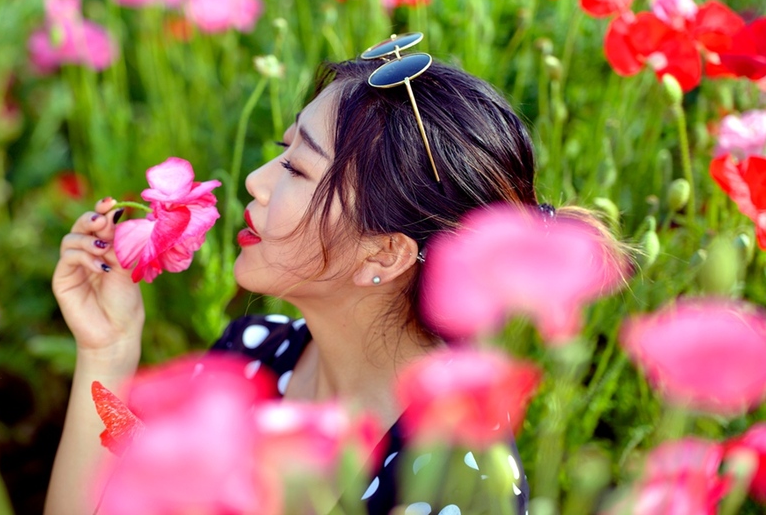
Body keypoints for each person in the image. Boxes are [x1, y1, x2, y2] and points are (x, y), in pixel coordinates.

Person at [45, 33, 571, 515]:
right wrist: (107, 350)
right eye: (282, 151)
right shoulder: (254, 356)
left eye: (297, 169)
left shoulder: (453, 482)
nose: (255, 180)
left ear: (385, 255)